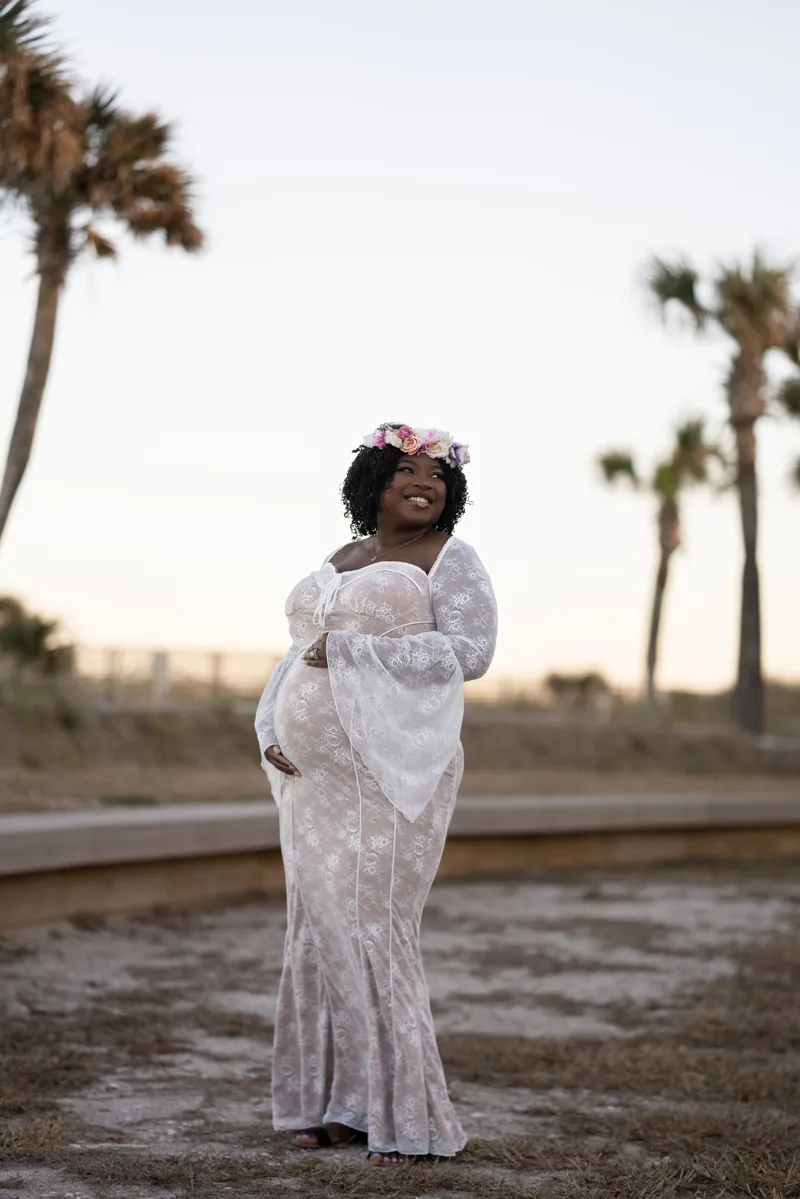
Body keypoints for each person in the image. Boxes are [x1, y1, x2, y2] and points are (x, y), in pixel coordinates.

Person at [255, 422, 497, 1166]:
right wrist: (269, 721)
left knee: (373, 929)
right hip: (312, 779)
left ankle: (405, 1115)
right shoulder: (342, 557)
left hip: (390, 769)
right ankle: (335, 1104)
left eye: (438, 474)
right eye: (406, 471)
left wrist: (355, 648)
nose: (426, 482)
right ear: (374, 483)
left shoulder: (451, 559)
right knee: (317, 929)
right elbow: (299, 653)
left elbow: (471, 653)